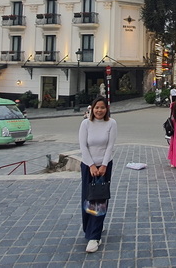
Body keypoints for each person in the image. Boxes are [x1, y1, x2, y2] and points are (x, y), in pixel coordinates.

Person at [78, 96, 117, 253]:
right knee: (88, 198)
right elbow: (83, 146)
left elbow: (110, 146)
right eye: (96, 107)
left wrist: (104, 165)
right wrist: (92, 165)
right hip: (88, 165)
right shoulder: (86, 124)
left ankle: (94, 236)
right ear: (92, 109)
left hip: (105, 166)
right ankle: (89, 228)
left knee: (100, 200)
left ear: (107, 109)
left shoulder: (111, 123)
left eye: (102, 107)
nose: (99, 110)